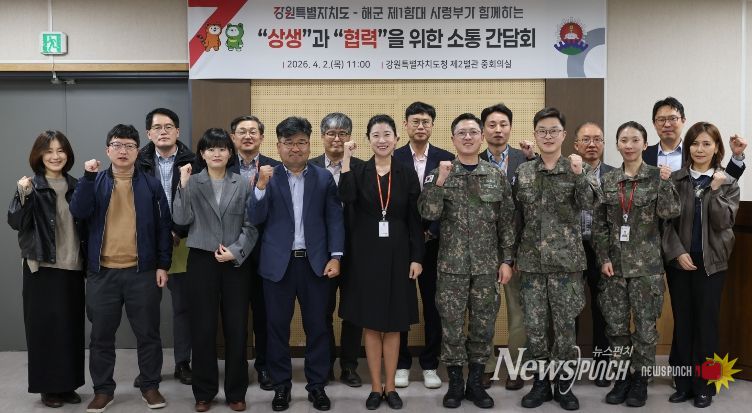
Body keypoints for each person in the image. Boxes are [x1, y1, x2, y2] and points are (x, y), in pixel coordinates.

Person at [69, 124, 172, 413]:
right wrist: (88, 177)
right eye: (117, 145)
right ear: (107, 150)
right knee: (101, 336)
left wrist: (163, 265)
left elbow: (163, 227)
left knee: (148, 334)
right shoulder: (95, 181)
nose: (123, 151)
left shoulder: (150, 185)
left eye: (129, 145)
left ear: (138, 151)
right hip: (102, 272)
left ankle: (150, 386)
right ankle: (103, 390)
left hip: (143, 272)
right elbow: (78, 211)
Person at [419, 113, 515, 409]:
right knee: (451, 327)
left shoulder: (495, 175)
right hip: (452, 268)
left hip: (487, 268)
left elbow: (507, 222)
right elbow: (428, 213)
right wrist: (440, 181)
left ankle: (475, 383)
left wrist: (507, 260)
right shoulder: (440, 173)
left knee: (482, 327)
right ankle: (455, 383)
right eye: (462, 133)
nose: (468, 137)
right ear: (453, 139)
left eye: (474, 132)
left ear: (481, 137)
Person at [248, 116, 345, 412]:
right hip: (278, 265)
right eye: (288, 143)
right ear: (278, 146)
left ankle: (317, 386)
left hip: (315, 265)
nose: (295, 148)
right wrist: (260, 187)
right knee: (277, 328)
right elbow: (255, 218)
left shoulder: (323, 178)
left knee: (318, 327)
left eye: (301, 142)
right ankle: (281, 387)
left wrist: (336, 256)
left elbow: (334, 219)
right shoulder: (267, 176)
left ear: (309, 145)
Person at [514, 107, 599, 411]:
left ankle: (564, 385)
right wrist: (511, 257)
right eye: (542, 131)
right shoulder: (524, 172)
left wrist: (579, 175)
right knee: (535, 327)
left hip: (567, 264)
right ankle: (540, 384)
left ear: (564, 135)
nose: (548, 136)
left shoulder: (578, 168)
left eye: (553, 131)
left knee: (565, 328)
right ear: (535, 135)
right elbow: (515, 217)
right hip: (532, 264)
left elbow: (590, 204)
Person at [338, 114, 424, 410]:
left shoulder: (406, 173)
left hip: (399, 254)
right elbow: (345, 196)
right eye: (376, 135)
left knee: (395, 323)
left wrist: (417, 257)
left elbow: (415, 219)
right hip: (365, 255)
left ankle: (391, 387)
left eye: (387, 134)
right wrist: (346, 158)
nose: (382, 140)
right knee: (372, 323)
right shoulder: (359, 171)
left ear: (397, 139)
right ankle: (376, 387)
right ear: (368, 140)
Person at [593, 121, 680, 407]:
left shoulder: (657, 176)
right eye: (623, 140)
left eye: (634, 140)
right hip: (614, 268)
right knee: (616, 327)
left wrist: (666, 183)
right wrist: (603, 258)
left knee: (645, 328)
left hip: (647, 269)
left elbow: (670, 212)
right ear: (617, 144)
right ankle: (622, 379)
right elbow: (600, 224)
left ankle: (640, 381)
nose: (629, 145)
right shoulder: (608, 180)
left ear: (645, 144)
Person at [172, 128, 258, 412]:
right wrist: (183, 185)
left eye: (222, 148)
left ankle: (236, 392)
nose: (217, 153)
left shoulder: (242, 182)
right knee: (203, 329)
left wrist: (237, 250)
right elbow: (180, 219)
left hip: (234, 263)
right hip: (201, 261)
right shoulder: (192, 181)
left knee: (237, 328)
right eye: (211, 149)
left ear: (230, 153)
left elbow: (252, 225)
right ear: (202, 154)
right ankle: (204, 392)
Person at [662, 122, 740, 408]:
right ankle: (683, 384)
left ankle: (706, 385)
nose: (700, 149)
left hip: (712, 264)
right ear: (688, 148)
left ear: (716, 148)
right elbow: (665, 224)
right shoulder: (676, 180)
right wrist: (677, 253)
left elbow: (723, 223)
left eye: (707, 143)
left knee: (707, 325)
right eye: (695, 143)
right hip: (681, 262)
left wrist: (716, 190)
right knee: (683, 323)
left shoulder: (727, 182)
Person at [8, 131, 85, 408]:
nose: (55, 156)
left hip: (72, 266)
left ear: (68, 154)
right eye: (49, 151)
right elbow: (16, 222)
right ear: (39, 155)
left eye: (60, 150)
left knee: (70, 328)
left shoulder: (76, 185)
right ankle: (48, 387)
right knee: (44, 330)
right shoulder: (30, 185)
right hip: (40, 267)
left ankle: (68, 384)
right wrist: (23, 194)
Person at [392, 101, 453, 390]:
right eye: (415, 121)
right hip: (401, 244)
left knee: (434, 305)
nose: (420, 126)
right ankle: (402, 363)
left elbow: (451, 203)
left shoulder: (446, 158)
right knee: (401, 304)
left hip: (435, 243)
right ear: (405, 125)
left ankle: (430, 364)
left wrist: (432, 231)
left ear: (432, 126)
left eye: (425, 121)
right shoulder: (393, 156)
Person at [136, 108, 196, 388]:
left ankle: (183, 362)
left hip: (182, 242)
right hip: (147, 244)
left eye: (168, 126)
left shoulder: (194, 162)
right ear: (148, 133)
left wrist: (177, 230)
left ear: (177, 131)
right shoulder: (137, 162)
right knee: (146, 309)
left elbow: (199, 203)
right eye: (157, 127)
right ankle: (149, 367)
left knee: (183, 307)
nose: (163, 131)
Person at [477, 103, 535, 390]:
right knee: (484, 310)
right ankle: (486, 366)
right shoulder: (472, 161)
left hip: (520, 247)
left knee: (518, 311)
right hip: (484, 248)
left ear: (511, 128)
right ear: (483, 130)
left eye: (503, 124)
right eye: (492, 125)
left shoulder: (526, 161)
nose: (498, 130)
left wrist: (534, 158)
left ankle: (516, 367)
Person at [310, 112, 365, 388]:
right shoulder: (309, 168)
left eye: (343, 133)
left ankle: (349, 366)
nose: (337, 138)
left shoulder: (362, 168)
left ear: (350, 137)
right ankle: (326, 362)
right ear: (322, 137)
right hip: (321, 252)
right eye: (331, 133)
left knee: (353, 311)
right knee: (322, 310)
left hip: (355, 251)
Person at [228, 115, 280, 391]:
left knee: (265, 314)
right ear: (233, 137)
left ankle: (265, 367)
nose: (247, 136)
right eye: (242, 132)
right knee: (235, 316)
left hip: (265, 251)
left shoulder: (276, 168)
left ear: (261, 137)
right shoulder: (223, 166)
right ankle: (236, 368)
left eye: (253, 132)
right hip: (232, 252)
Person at [572, 121, 615, 388]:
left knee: (603, 309)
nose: (591, 144)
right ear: (575, 144)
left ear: (603, 144)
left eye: (597, 139)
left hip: (603, 250)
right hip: (572, 249)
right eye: (586, 139)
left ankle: (602, 365)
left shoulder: (613, 175)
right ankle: (569, 367)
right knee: (570, 310)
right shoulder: (566, 172)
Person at [644, 97, 746, 178]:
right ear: (654, 123)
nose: (667, 124)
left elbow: (726, 181)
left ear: (683, 120)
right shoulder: (642, 154)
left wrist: (737, 156)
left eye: (673, 118)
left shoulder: (696, 152)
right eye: (661, 119)